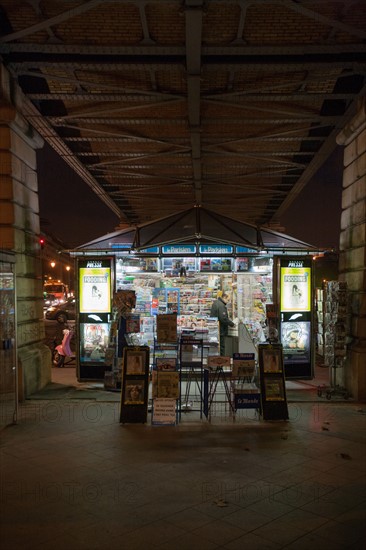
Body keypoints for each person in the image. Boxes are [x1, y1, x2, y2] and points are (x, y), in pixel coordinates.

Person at [210, 291, 235, 356]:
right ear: (224, 297)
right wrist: (232, 324)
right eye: (228, 300)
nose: (228, 301)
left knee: (217, 347)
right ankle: (221, 363)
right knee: (221, 347)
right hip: (220, 330)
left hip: (215, 329)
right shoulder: (221, 305)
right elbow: (223, 318)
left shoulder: (216, 303)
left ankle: (218, 362)